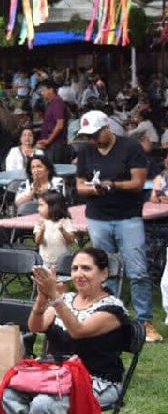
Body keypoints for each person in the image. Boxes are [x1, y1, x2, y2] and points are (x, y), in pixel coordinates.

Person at [0, 248, 130, 414]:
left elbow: (78, 330)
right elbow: (36, 326)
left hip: (97, 381)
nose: (79, 274)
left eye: (87, 268)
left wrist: (55, 298)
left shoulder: (113, 310)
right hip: (54, 377)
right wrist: (42, 297)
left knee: (42, 406)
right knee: (8, 397)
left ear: (104, 274)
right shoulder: (65, 300)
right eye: (75, 268)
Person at [73, 110, 160, 342]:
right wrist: (93, 188)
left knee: (138, 270)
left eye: (95, 134)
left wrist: (113, 185)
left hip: (128, 216)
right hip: (97, 216)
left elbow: (138, 182)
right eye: (88, 135)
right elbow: (79, 186)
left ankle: (144, 321)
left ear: (107, 128)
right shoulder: (86, 151)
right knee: (104, 270)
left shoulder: (130, 147)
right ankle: (109, 317)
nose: (92, 140)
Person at [34, 191, 75, 266]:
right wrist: (42, 231)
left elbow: (71, 240)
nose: (38, 209)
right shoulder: (40, 221)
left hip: (63, 262)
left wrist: (62, 230)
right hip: (45, 261)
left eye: (41, 205)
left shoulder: (65, 221)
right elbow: (38, 241)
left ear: (53, 206)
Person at [37, 80, 68, 163]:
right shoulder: (51, 103)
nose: (42, 93)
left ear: (50, 90)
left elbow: (60, 124)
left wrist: (49, 140)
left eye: (43, 90)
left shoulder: (57, 102)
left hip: (56, 145)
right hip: (51, 144)